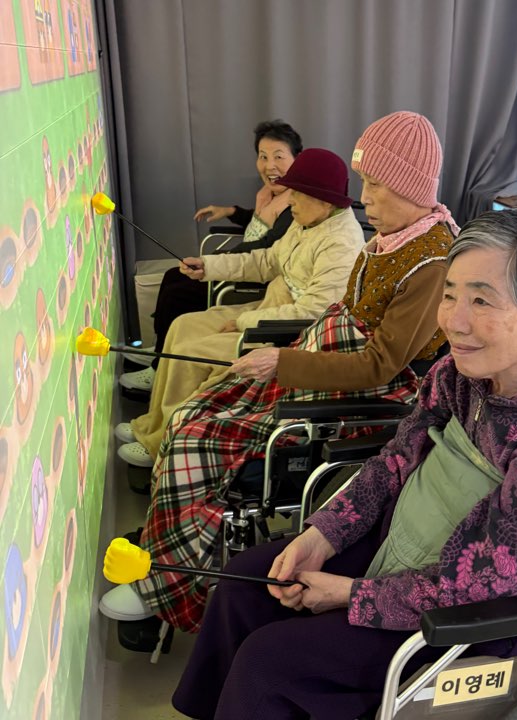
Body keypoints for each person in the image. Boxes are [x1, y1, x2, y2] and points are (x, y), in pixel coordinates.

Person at [169, 209, 517, 720]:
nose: (453, 321)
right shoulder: (458, 375)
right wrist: (322, 536)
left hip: (498, 612)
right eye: (450, 295)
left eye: (481, 300)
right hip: (415, 543)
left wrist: (352, 595)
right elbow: (394, 460)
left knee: (270, 663)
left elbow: (492, 582)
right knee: (244, 584)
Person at [98, 111, 460, 633]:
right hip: (320, 362)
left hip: (356, 396)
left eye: (376, 186)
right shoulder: (392, 238)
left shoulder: (432, 263)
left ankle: (167, 586)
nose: (365, 199)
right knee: (193, 410)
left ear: (411, 187)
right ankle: (169, 542)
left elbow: (381, 364)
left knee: (197, 439)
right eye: (364, 183)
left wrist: (282, 360)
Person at [115, 148, 365, 466]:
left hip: (285, 333)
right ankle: (152, 425)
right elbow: (267, 261)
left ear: (325, 201)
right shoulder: (307, 222)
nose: (290, 201)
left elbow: (314, 313)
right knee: (182, 326)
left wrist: (246, 321)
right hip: (269, 308)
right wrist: (209, 267)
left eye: (298, 194)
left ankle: (162, 446)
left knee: (191, 356)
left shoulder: (342, 243)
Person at [120, 119, 302, 392]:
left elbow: (267, 246)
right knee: (172, 276)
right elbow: (258, 222)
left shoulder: (296, 203)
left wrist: (219, 260)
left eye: (279, 157)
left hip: (253, 281)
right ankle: (161, 349)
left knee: (178, 293)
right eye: (263, 157)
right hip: (238, 265)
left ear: (297, 159)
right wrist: (230, 212)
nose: (269, 165)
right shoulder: (271, 193)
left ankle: (159, 370)